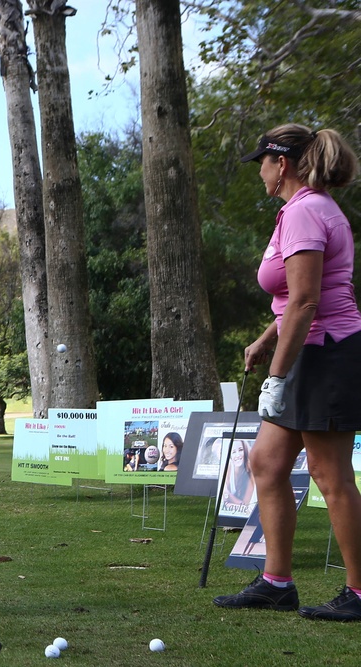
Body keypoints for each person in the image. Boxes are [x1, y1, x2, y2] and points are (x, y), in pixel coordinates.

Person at [212, 124, 361, 621]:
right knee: (268, 464)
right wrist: (264, 338)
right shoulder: (300, 212)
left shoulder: (306, 212)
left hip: (326, 354)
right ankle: (277, 582)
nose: (259, 169)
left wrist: (275, 377)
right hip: (308, 349)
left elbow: (306, 301)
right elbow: (290, 302)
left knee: (329, 474)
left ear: (283, 164)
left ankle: (359, 592)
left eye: (263, 160)